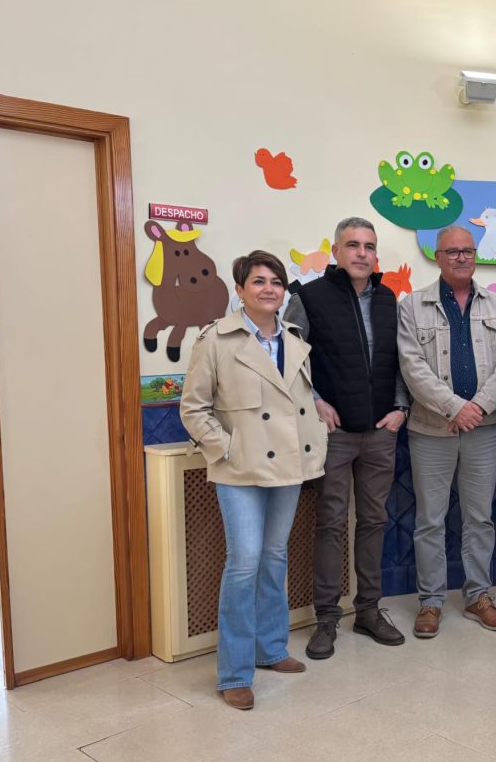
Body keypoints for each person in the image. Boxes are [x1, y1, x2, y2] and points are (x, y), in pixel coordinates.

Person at [180, 250, 328, 710]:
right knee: (243, 562)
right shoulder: (216, 339)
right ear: (240, 290)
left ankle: (271, 648)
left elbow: (297, 401)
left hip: (288, 465)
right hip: (240, 468)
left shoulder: (294, 339)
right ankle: (234, 672)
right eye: (259, 281)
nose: (269, 289)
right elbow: (193, 408)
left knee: (274, 556)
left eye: (276, 282)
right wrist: (224, 448)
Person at [283, 217, 408, 659]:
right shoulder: (308, 298)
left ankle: (369, 611)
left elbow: (400, 359)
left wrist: (401, 408)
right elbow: (288, 358)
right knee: (331, 523)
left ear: (376, 254)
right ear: (336, 252)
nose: (361, 253)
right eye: (352, 245)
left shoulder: (389, 299)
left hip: (381, 432)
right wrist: (315, 401)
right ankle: (326, 618)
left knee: (373, 521)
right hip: (333, 433)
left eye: (369, 246)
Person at [397, 225, 496, 639]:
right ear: (437, 257)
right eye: (452, 252)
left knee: (479, 518)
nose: (462, 258)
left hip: (484, 429)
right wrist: (454, 407)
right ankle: (431, 601)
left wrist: (478, 407)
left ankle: (478, 596)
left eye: (468, 251)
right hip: (431, 429)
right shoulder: (412, 306)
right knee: (429, 520)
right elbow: (412, 366)